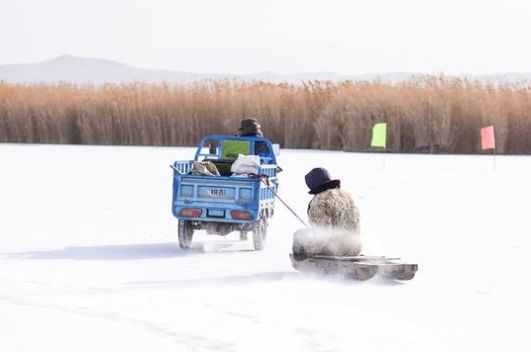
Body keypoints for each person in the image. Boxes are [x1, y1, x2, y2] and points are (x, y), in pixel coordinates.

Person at [292, 167, 361, 259]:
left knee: (299, 235)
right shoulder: (346, 195)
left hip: (336, 249)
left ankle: (305, 264)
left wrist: (305, 250)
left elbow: (322, 236)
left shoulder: (320, 202)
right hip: (354, 247)